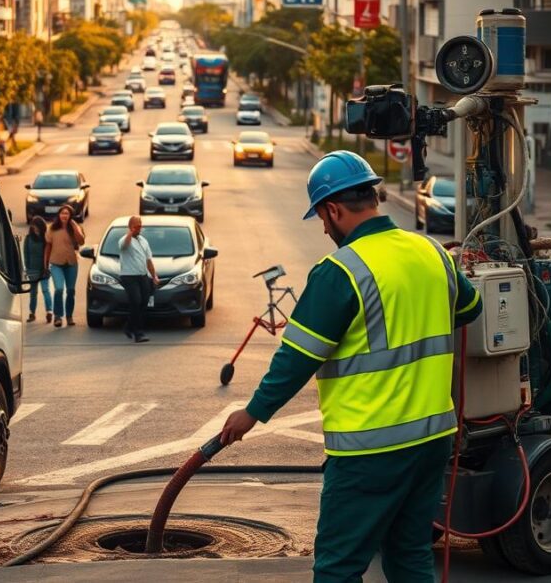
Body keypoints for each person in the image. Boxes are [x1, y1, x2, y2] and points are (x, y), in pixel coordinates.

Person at [220, 151, 483, 582]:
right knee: (411, 556)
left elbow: (296, 358)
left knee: (338, 568)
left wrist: (252, 413)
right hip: (432, 440)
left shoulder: (341, 271)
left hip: (370, 452)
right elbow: (470, 308)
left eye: (322, 219)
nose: (324, 229)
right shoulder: (431, 252)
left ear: (334, 209)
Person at [118, 216, 160, 343]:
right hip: (129, 276)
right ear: (130, 227)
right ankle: (138, 333)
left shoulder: (144, 241)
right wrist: (130, 233)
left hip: (142, 275)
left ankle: (128, 326)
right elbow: (124, 245)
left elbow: (148, 260)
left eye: (140, 226)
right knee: (136, 301)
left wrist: (154, 276)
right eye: (136, 226)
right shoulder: (125, 239)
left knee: (144, 301)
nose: (139, 228)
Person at [43, 205, 85, 328]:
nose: (64, 216)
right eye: (62, 213)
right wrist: (45, 265)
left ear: (70, 216)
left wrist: (75, 227)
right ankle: (58, 316)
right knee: (59, 289)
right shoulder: (52, 228)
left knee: (71, 291)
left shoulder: (74, 227)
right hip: (56, 263)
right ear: (59, 215)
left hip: (71, 263)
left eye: (67, 213)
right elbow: (48, 247)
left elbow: (81, 241)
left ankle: (69, 316)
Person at [22, 216, 53, 323]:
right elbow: (26, 254)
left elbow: (49, 253)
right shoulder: (28, 238)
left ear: (42, 227)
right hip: (32, 269)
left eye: (37, 227)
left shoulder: (46, 238)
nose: (35, 229)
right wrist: (27, 269)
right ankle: (32, 313)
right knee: (33, 292)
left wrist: (48, 267)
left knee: (45, 290)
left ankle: (49, 312)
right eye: (34, 227)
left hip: (44, 269)